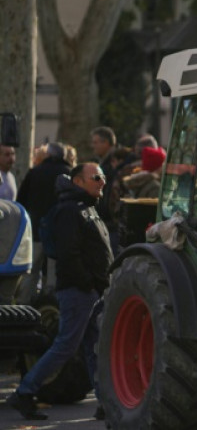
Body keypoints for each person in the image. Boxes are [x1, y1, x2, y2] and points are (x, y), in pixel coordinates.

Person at [6, 162, 113, 421]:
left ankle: (106, 402)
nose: (102, 182)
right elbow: (68, 254)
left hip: (90, 291)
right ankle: (25, 391)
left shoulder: (86, 208)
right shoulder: (70, 210)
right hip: (79, 291)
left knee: (92, 347)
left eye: (103, 178)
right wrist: (88, 283)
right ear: (78, 182)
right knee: (66, 345)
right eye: (96, 177)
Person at [14, 142, 71, 303]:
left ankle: (22, 307)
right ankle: (49, 311)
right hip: (58, 232)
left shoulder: (35, 172)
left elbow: (21, 201)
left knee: (31, 271)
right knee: (53, 273)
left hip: (35, 230)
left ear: (47, 155)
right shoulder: (68, 173)